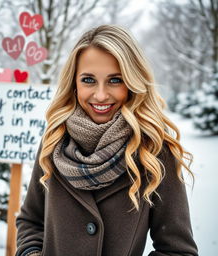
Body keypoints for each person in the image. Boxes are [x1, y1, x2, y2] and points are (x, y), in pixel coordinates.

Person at [15, 24, 198, 256]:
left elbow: (178, 251)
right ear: (74, 83)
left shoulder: (154, 151)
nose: (100, 95)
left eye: (115, 80)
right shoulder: (54, 140)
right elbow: (31, 220)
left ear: (132, 83)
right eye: (88, 80)